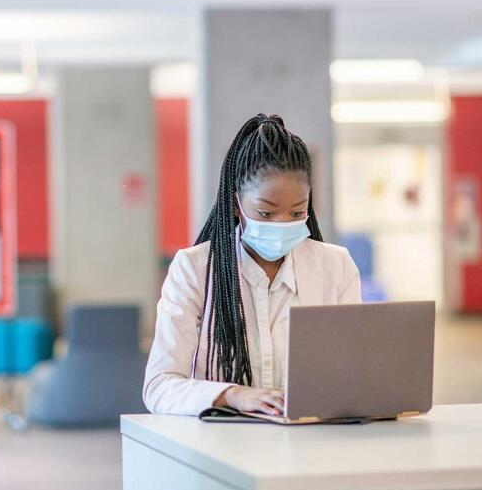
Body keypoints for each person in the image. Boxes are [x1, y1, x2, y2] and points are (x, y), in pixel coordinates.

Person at [143, 113, 361, 416]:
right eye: (266, 213)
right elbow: (159, 386)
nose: (283, 224)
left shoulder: (335, 266)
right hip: (222, 444)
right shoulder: (194, 269)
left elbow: (353, 369)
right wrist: (232, 395)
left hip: (310, 439)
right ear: (236, 205)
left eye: (296, 213)